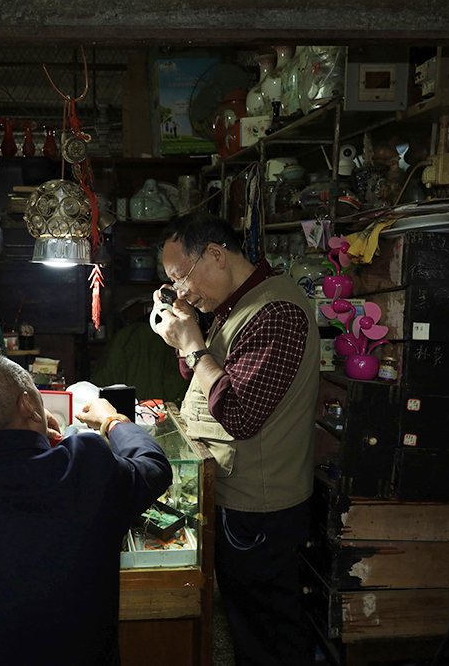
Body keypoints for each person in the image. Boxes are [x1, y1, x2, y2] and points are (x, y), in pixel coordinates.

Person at [0, 347, 173, 666]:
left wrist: (30, 433)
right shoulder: (87, 464)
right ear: (28, 406)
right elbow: (154, 465)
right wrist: (111, 420)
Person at [152, 213, 320, 666]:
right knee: (248, 625)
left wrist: (193, 345)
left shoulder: (277, 312)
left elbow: (240, 413)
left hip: (260, 508)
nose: (181, 293)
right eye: (172, 284)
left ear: (215, 255)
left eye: (181, 278)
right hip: (236, 493)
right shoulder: (236, 304)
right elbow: (208, 381)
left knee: (268, 634)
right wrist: (184, 333)